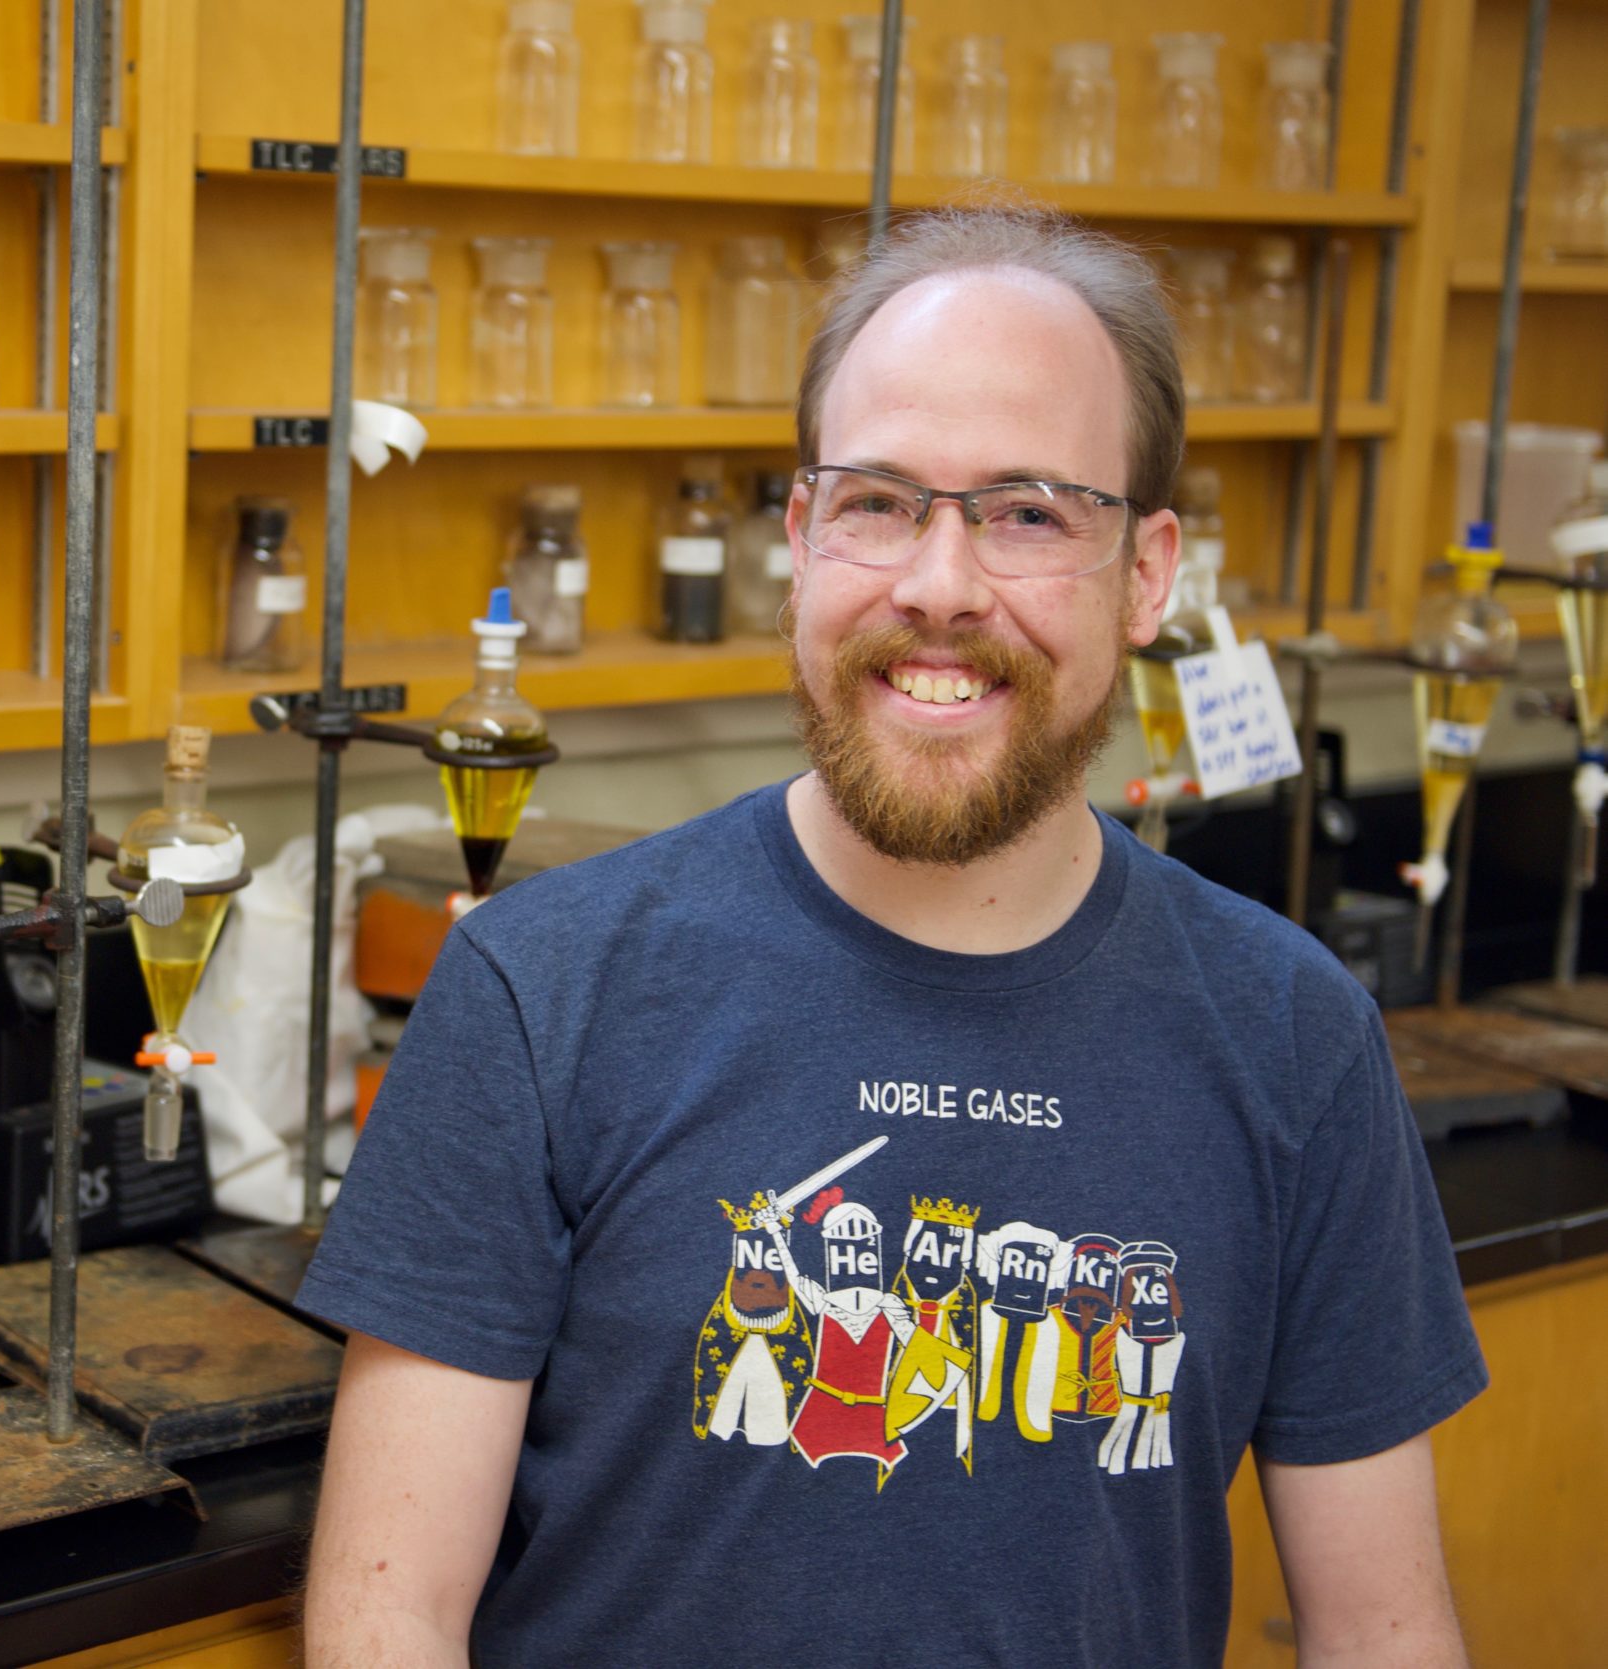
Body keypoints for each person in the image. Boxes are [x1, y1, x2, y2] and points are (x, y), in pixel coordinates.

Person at [295, 207, 1484, 1668]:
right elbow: (384, 1618)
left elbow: (1385, 1633)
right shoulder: (538, 992)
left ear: (1150, 571)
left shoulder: (1295, 1035)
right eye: (877, 502)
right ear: (799, 538)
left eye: (1030, 510)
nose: (938, 583)